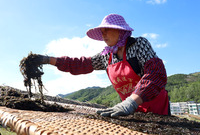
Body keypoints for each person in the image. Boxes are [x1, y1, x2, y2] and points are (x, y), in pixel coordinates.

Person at [33, 14, 169, 117]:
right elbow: (81, 64)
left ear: (120, 31)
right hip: (129, 111)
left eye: (107, 30)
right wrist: (49, 60)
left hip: (156, 108)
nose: (103, 35)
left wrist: (131, 102)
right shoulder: (106, 56)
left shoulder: (138, 45)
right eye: (102, 32)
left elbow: (156, 73)